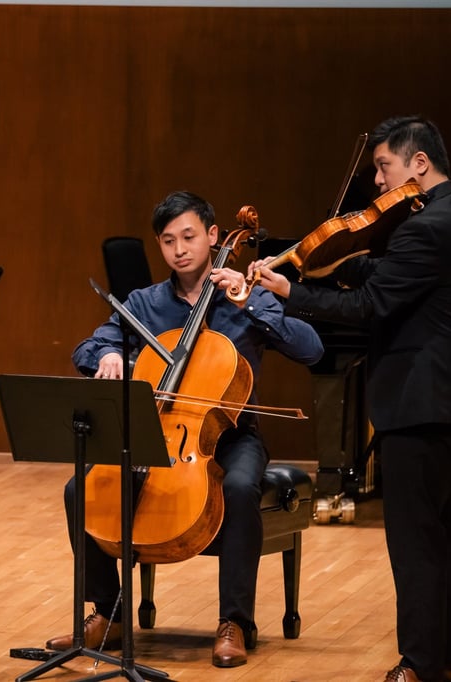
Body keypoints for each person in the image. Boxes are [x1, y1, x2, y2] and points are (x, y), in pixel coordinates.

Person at [252, 116, 451, 682]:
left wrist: (293, 291)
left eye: (384, 166)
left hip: (421, 403)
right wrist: (341, 263)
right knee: (441, 536)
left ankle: (421, 665)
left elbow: (370, 307)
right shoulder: (449, 213)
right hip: (446, 400)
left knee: (414, 543)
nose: (378, 181)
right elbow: (390, 274)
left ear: (418, 164)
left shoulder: (427, 227)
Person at [46, 190, 323, 668]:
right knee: (80, 488)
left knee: (237, 488)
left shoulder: (247, 296)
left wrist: (250, 302)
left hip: (233, 436)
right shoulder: (145, 303)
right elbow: (89, 347)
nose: (180, 249)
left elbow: (311, 349)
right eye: (169, 240)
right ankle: (106, 613)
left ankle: (235, 621)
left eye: (190, 237)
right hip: (156, 432)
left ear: (214, 237)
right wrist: (108, 354)